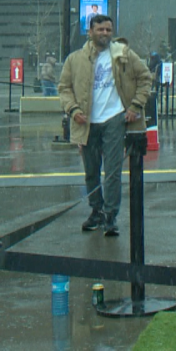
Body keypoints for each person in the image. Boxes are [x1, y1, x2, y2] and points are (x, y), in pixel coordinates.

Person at [58, 15, 152, 237]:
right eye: (100, 30)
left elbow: (145, 78)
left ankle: (110, 216)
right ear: (90, 32)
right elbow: (64, 88)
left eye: (108, 30)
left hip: (115, 120)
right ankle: (96, 211)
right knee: (91, 171)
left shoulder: (124, 54)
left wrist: (135, 105)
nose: (105, 33)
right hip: (87, 122)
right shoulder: (75, 59)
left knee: (112, 172)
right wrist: (73, 110)